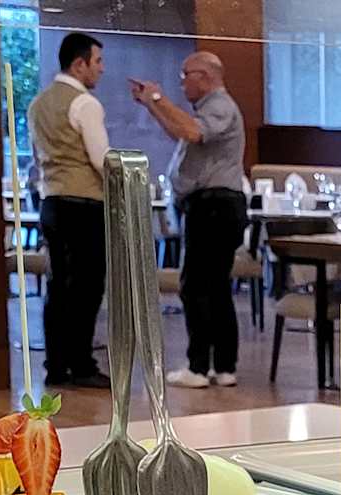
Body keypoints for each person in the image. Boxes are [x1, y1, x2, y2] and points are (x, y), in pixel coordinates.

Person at [134, 51, 249, 388]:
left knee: (197, 286)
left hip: (214, 206)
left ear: (205, 76)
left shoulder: (220, 106)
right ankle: (223, 367)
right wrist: (152, 106)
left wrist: (158, 98)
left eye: (186, 75)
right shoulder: (208, 108)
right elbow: (180, 130)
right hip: (214, 205)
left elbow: (192, 132)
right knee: (214, 287)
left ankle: (198, 366)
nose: (182, 82)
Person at [28, 32, 110, 389]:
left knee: (59, 285)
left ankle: (56, 365)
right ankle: (82, 364)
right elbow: (101, 159)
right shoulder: (85, 104)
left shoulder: (38, 104)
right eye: (97, 61)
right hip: (84, 204)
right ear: (79, 64)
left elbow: (36, 158)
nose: (101, 69)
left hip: (52, 202)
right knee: (88, 286)